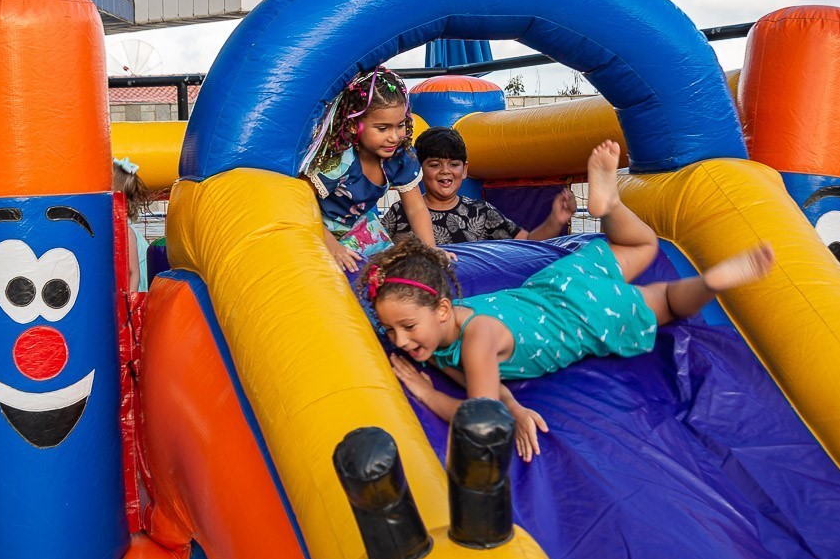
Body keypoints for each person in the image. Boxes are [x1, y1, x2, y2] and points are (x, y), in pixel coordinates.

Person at [359, 140, 774, 461]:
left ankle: (709, 283)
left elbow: (483, 416)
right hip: (558, 283)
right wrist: (517, 407)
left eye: (406, 327)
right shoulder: (445, 327)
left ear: (442, 309)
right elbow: (478, 380)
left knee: (665, 297)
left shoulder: (476, 337)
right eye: (391, 330)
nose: (398, 341)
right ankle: (609, 205)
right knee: (644, 244)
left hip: (583, 314)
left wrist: (425, 392)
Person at [301, 66, 438, 273]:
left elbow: (416, 208)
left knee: (394, 272)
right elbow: (300, 203)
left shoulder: (398, 157)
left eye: (400, 125)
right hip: (318, 227)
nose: (393, 137)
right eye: (382, 128)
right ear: (355, 125)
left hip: (359, 226)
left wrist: (431, 250)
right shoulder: (339, 160)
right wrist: (331, 245)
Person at [381, 127, 577, 245]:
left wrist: (555, 221)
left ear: (464, 170)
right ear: (419, 170)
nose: (445, 171)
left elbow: (526, 244)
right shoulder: (400, 212)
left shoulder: (480, 212)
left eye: (454, 164)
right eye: (434, 165)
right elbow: (374, 249)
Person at [112, 157, 151, 292]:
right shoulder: (114, 229)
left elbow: (134, 273)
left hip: (136, 287)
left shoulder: (126, 232)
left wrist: (129, 305)